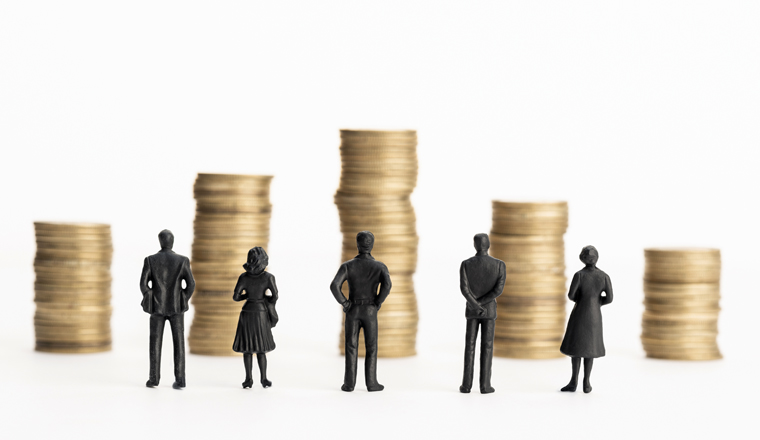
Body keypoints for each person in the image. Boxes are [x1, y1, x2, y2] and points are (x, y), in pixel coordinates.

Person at [330, 231, 391, 392]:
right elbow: (387, 285)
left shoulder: (348, 266)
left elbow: (334, 285)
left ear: (357, 244)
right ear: (372, 245)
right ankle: (371, 383)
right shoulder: (379, 266)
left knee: (351, 346)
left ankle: (349, 384)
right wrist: (378, 301)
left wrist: (345, 303)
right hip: (370, 310)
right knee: (371, 347)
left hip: (353, 310)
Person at [140, 229, 195, 389]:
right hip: (176, 308)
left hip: (157, 307)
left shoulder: (150, 260)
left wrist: (150, 296)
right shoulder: (182, 260)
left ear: (160, 241)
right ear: (172, 242)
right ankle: (180, 379)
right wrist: (182, 298)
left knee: (154, 343)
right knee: (179, 343)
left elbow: (143, 284)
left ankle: (154, 379)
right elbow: (191, 284)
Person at [560, 245, 613, 393]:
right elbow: (609, 298)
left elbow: (571, 295)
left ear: (582, 258)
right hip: (594, 315)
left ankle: (573, 381)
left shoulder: (580, 275)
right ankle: (586, 382)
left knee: (577, 348)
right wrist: (596, 303)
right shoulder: (603, 276)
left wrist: (582, 300)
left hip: (580, 313)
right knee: (589, 348)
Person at [459, 233, 506, 394]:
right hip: (489, 310)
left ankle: (466, 385)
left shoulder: (466, 264)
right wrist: (483, 303)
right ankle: (485, 385)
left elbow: (464, 290)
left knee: (469, 347)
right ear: (489, 244)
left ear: (475, 245)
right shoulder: (499, 265)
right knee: (487, 348)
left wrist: (476, 304)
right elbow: (498, 290)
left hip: (472, 310)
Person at [232, 247, 278, 389]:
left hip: (247, 311)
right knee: (261, 349)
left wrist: (248, 296)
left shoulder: (244, 277)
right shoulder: (268, 277)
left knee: (247, 349)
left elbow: (236, 297)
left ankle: (248, 379)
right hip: (261, 313)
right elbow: (275, 296)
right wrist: (263, 298)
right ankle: (264, 378)